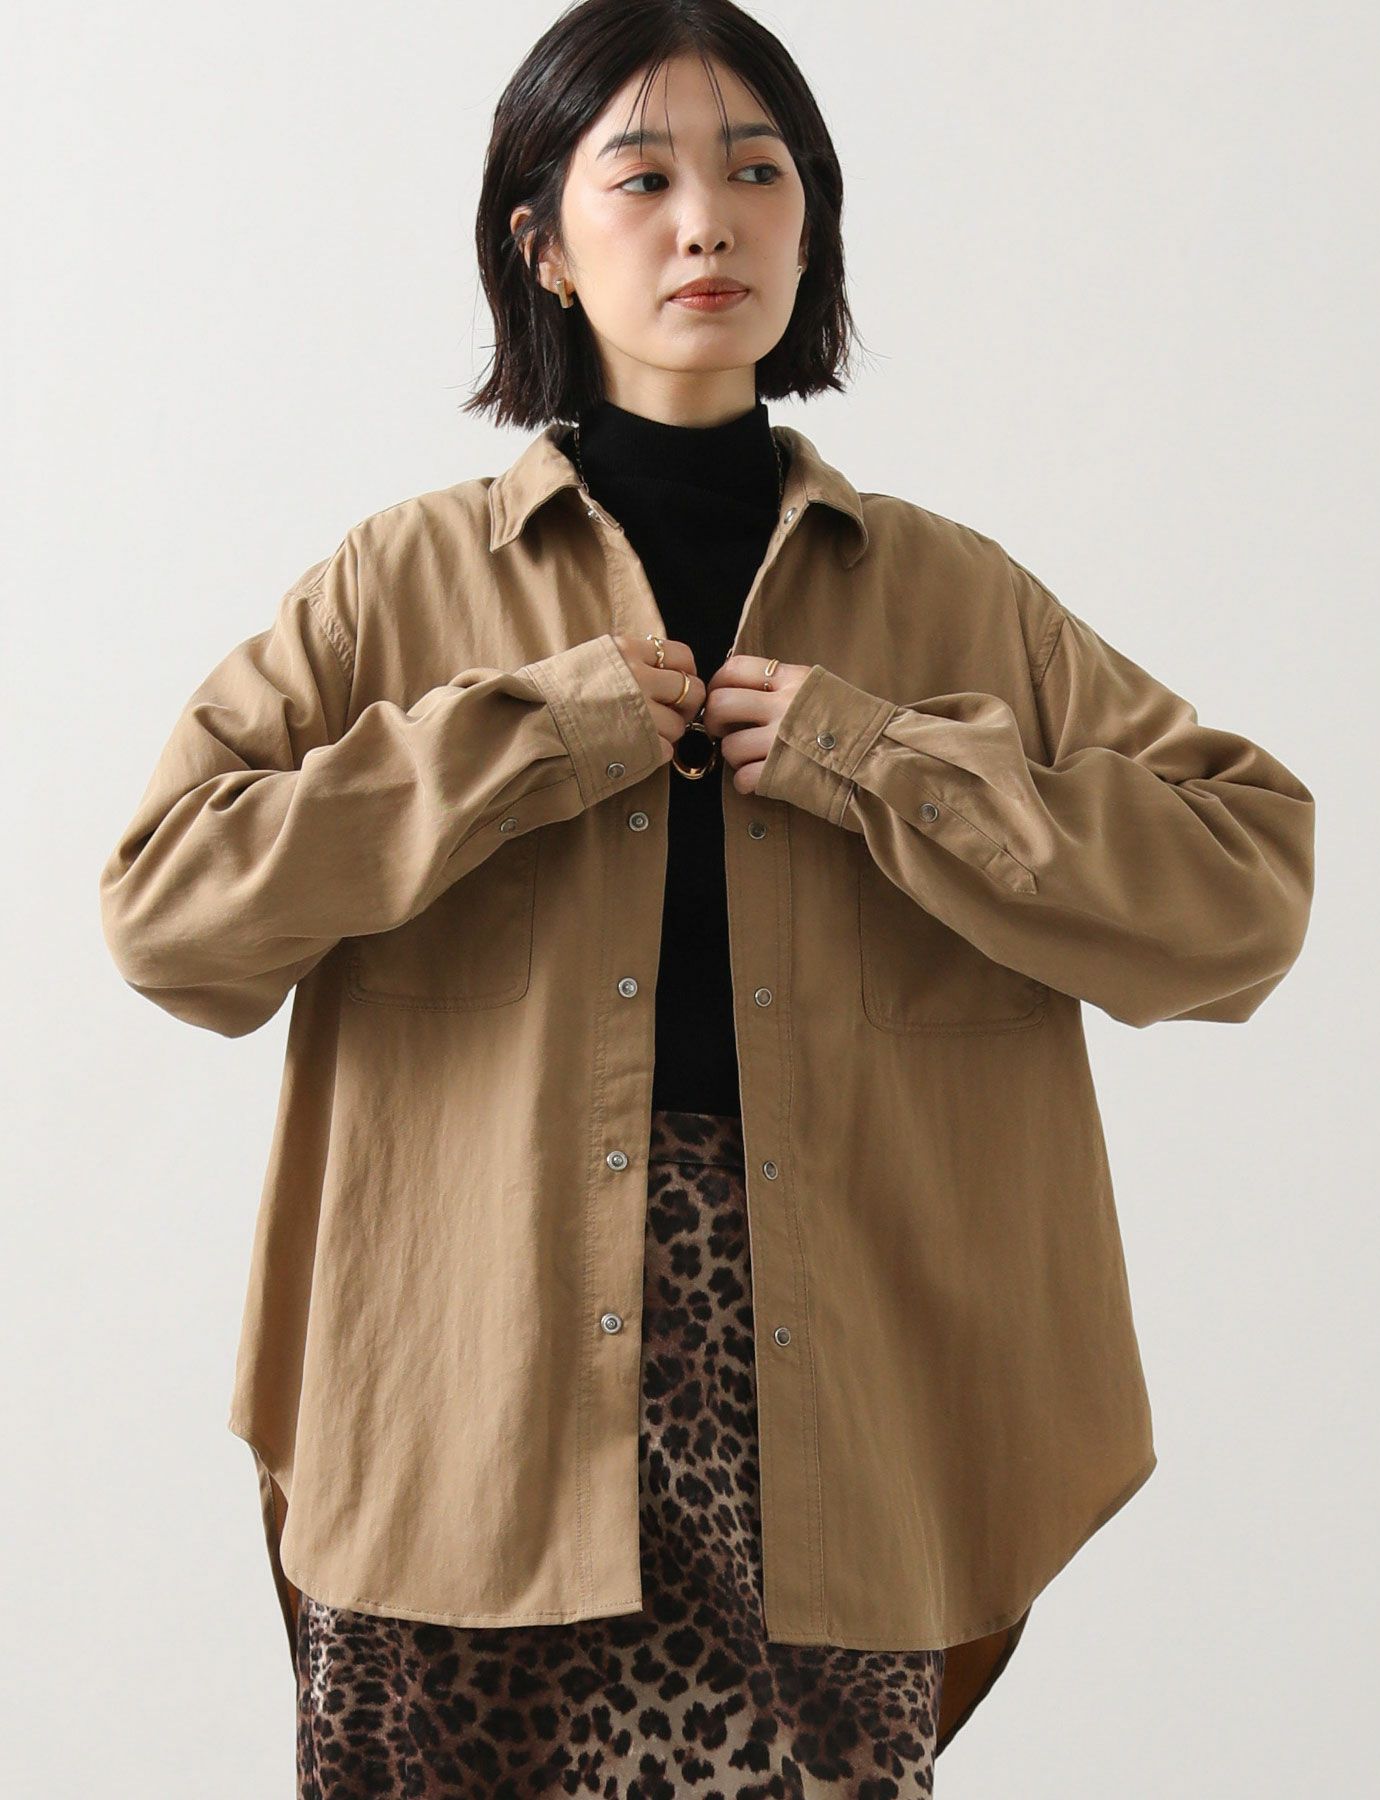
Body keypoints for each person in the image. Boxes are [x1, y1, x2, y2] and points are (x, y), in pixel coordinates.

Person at [99, 2, 1317, 1793]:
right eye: (643, 175)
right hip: (462, 1413)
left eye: (759, 171)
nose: (707, 222)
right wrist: (517, 742)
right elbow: (168, 912)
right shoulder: (398, 585)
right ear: (542, 239)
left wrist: (882, 760)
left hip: (836, 1415)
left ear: (811, 226)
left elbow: (1245, 891)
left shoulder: (951, 600)